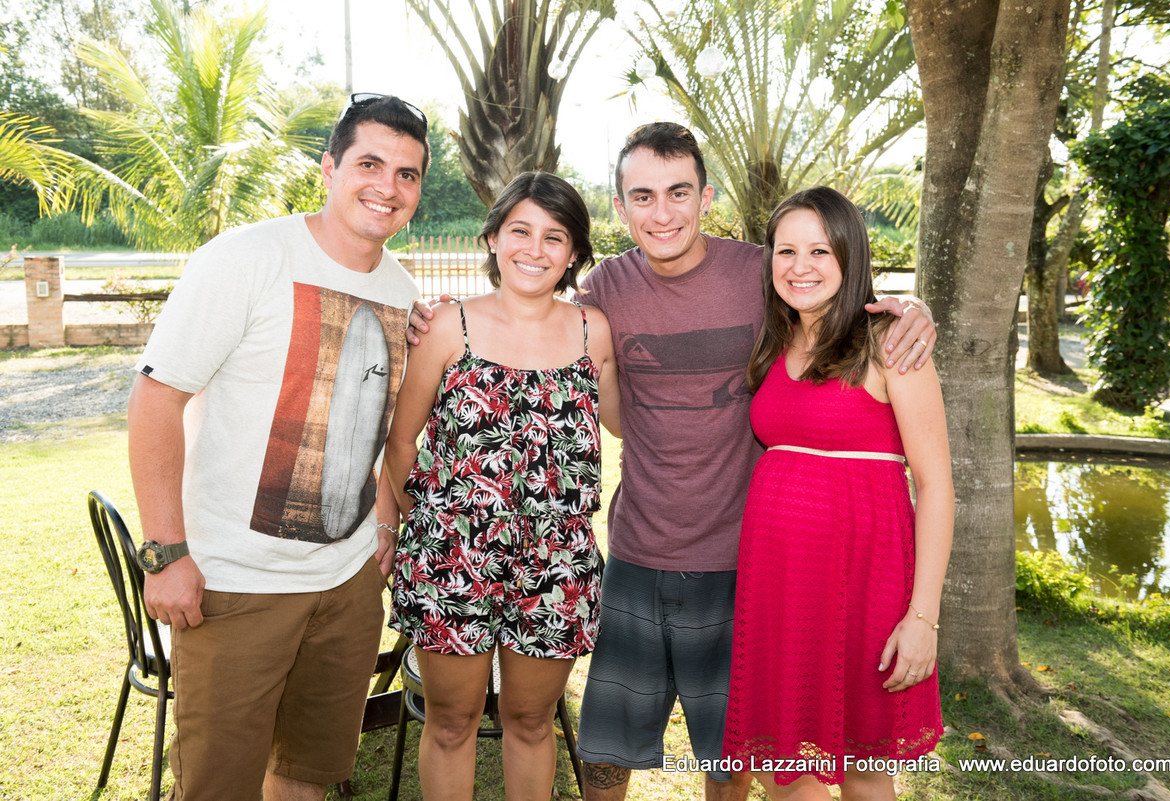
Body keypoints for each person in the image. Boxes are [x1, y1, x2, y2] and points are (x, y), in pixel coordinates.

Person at [407, 122, 936, 801]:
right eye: (643, 196)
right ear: (620, 207)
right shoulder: (602, 292)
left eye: (679, 192)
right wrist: (433, 321)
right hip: (638, 550)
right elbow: (548, 341)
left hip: (746, 558)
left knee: (734, 749)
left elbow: (835, 303)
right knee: (605, 750)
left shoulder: (764, 272)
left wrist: (914, 312)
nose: (663, 212)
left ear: (706, 196)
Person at [127, 94, 430, 801]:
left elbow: (382, 423)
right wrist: (166, 553)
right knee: (216, 786)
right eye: (370, 163)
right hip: (236, 584)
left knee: (306, 777)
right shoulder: (246, 258)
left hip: (348, 587)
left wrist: (384, 518)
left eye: (408, 174)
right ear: (329, 167)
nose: (387, 187)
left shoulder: (399, 286)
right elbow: (156, 400)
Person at [381, 171, 620, 800]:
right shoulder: (444, 327)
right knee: (452, 721)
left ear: (573, 254)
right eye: (520, 231)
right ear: (492, 238)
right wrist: (413, 524)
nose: (534, 250)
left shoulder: (595, 331)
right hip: (452, 560)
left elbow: (629, 418)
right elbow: (402, 442)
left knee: (531, 721)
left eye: (555, 236)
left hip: (557, 564)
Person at [721, 187, 953, 800]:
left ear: (850, 256)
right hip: (779, 584)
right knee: (785, 766)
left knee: (863, 765)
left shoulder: (889, 343)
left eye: (820, 250)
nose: (800, 266)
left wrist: (923, 616)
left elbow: (935, 485)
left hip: (866, 580)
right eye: (786, 250)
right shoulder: (774, 343)